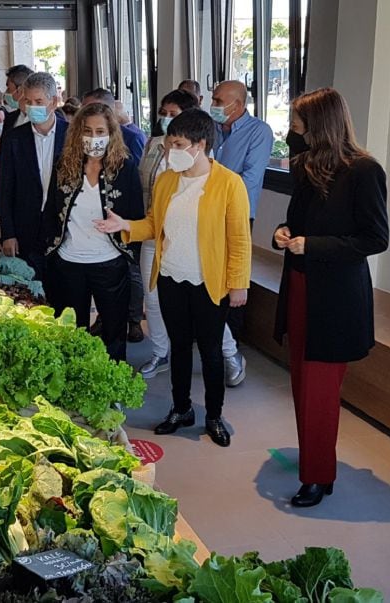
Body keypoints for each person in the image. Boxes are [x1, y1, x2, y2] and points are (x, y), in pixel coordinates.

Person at [96, 109, 252, 447]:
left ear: (201, 144)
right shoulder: (167, 180)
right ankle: (181, 409)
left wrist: (239, 283)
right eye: (168, 144)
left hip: (210, 281)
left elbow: (239, 239)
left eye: (178, 144)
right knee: (179, 347)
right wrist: (125, 225)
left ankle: (213, 414)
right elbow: (154, 225)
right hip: (170, 277)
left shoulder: (228, 183)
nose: (170, 152)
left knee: (210, 351)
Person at [272, 87, 389, 507]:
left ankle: (317, 475)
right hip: (302, 286)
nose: (290, 132)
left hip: (335, 297)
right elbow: (295, 222)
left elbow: (375, 238)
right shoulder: (307, 167)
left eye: (297, 125)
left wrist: (313, 247)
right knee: (303, 385)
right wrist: (282, 234)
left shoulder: (363, 171)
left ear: (318, 126)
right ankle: (318, 464)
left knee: (319, 390)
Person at [42, 103, 144, 361]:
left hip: (109, 262)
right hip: (69, 261)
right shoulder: (63, 165)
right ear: (78, 133)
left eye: (100, 131)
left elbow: (136, 215)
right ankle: (74, 382)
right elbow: (51, 211)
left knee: (114, 330)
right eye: (87, 131)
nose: (94, 137)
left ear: (111, 133)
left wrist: (122, 231)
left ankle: (114, 389)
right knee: (72, 331)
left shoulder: (125, 168)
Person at [211, 80, 273, 385]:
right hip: (205, 217)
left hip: (236, 216)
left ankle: (231, 348)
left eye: (219, 100)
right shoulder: (211, 129)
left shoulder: (258, 132)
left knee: (234, 277)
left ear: (238, 104)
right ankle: (214, 339)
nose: (215, 105)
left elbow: (248, 179)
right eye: (214, 99)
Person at [136, 89, 199, 379]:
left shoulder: (195, 153)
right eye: (164, 112)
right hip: (151, 231)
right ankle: (161, 352)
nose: (166, 118)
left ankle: (228, 350)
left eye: (173, 114)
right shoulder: (153, 144)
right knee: (152, 297)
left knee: (200, 299)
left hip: (188, 236)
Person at [0, 72, 68, 278]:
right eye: (28, 101)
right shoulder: (14, 139)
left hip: (63, 230)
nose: (33, 107)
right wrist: (7, 233)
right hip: (25, 228)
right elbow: (5, 188)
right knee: (31, 290)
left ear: (53, 102)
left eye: (39, 101)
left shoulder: (72, 136)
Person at [81, 89, 146, 161]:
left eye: (92, 110)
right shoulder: (77, 135)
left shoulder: (132, 138)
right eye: (82, 109)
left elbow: (139, 170)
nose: (83, 114)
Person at [4, 65, 35, 130]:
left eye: (8, 88)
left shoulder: (42, 120)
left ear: (20, 89)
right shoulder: (9, 119)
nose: (6, 92)